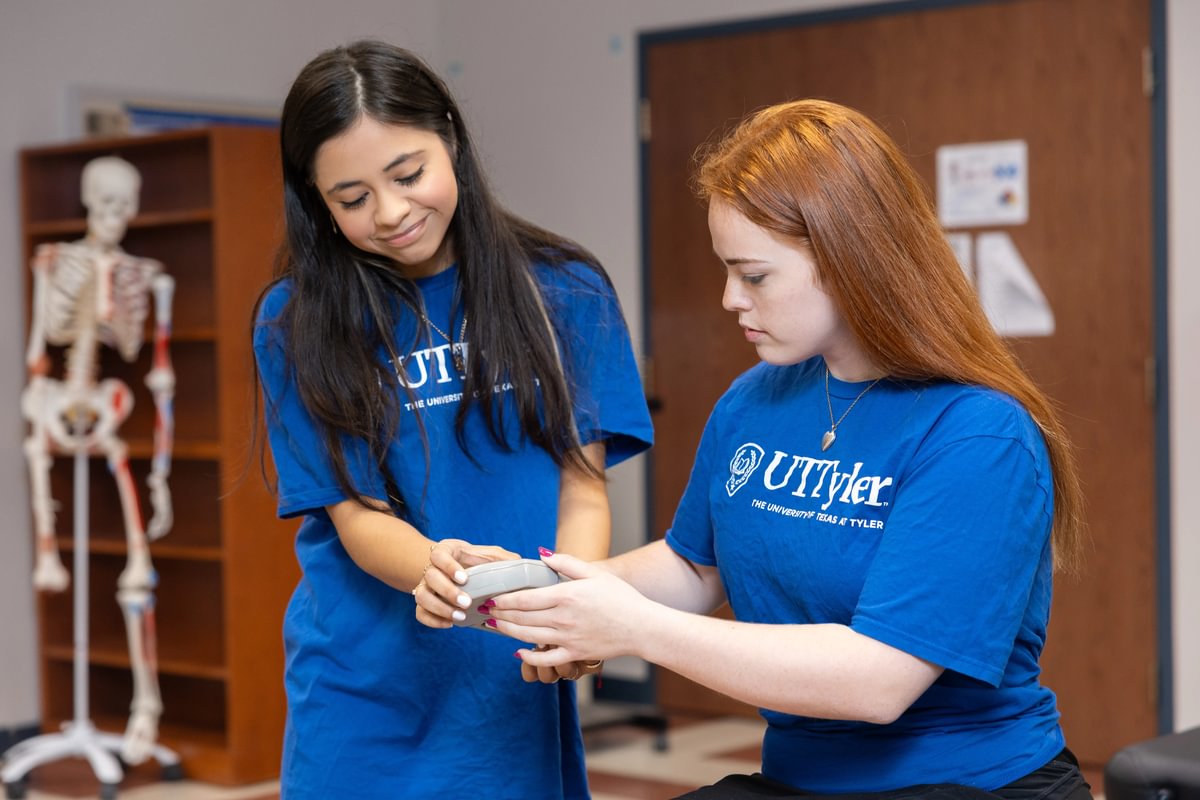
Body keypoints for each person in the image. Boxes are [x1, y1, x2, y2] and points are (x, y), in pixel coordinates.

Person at [486, 99, 1092, 800]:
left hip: (966, 782)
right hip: (800, 780)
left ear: (848, 259)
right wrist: (546, 591)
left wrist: (636, 630)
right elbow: (693, 564)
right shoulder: (755, 399)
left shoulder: (978, 433)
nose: (728, 300)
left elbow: (878, 680)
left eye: (754, 276)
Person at [252, 40, 652, 799]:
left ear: (452, 140)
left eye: (408, 174)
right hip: (360, 683)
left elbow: (584, 489)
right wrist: (437, 569)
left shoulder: (564, 290)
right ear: (317, 202)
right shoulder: (293, 322)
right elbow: (356, 515)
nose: (393, 212)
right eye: (352, 197)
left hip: (507, 676)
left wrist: (572, 613)